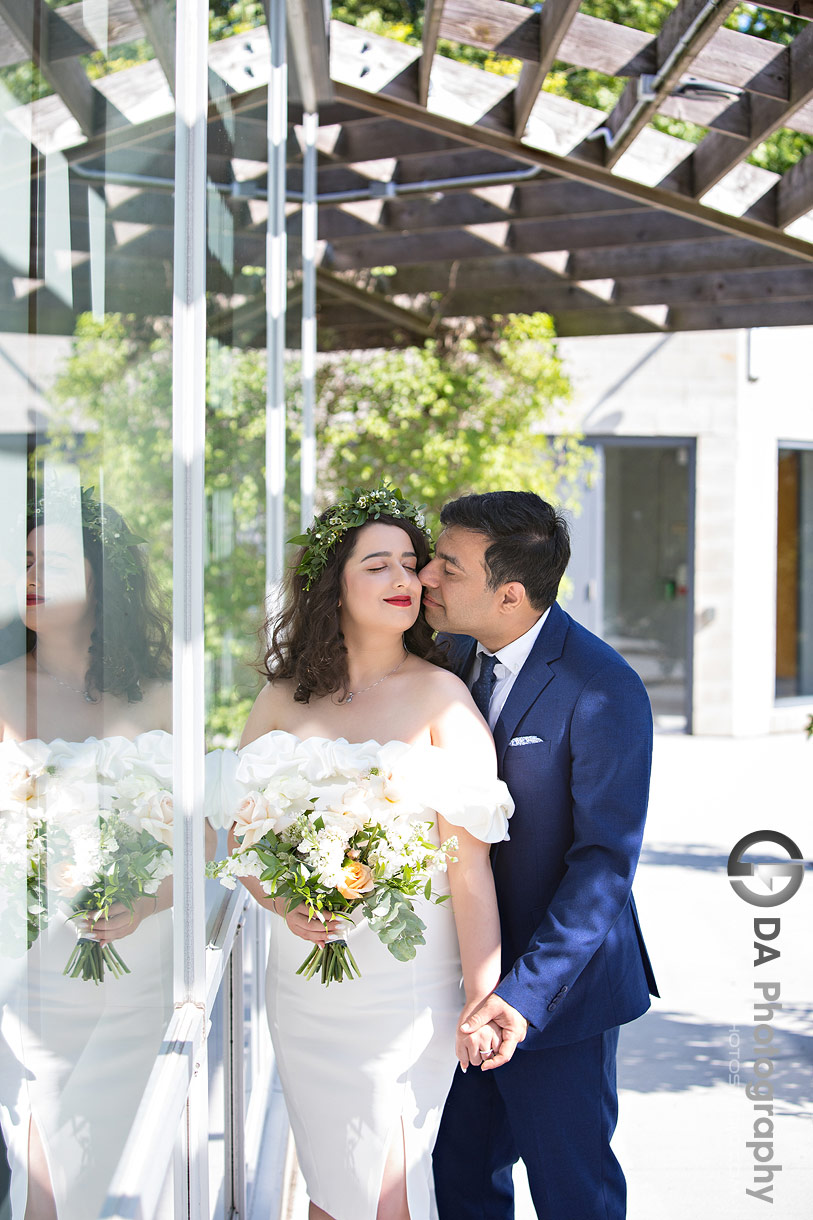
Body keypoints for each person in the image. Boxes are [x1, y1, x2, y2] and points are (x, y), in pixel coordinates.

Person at [229, 485, 513, 1220]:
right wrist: (282, 901)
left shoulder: (443, 700)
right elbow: (236, 836)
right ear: (333, 587)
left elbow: (470, 873)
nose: (402, 581)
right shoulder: (282, 700)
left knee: (389, 1191)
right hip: (301, 989)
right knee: (331, 1189)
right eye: (376, 566)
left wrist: (483, 999)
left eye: (410, 564)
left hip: (402, 991)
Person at [423, 490, 659, 1220]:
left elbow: (602, 866)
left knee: (572, 1194)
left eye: (447, 567)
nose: (427, 576)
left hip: (560, 995)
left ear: (511, 594)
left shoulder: (602, 688)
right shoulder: (449, 655)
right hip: (460, 984)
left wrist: (520, 998)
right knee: (459, 1179)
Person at [0, 486, 175, 1220]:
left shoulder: (163, 696)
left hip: (136, 964)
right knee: (34, 1151)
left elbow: (195, 840)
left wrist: (142, 902)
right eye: (25, 559)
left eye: (57, 560)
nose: (34, 574)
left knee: (115, 1163)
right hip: (25, 962)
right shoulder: (2, 690)